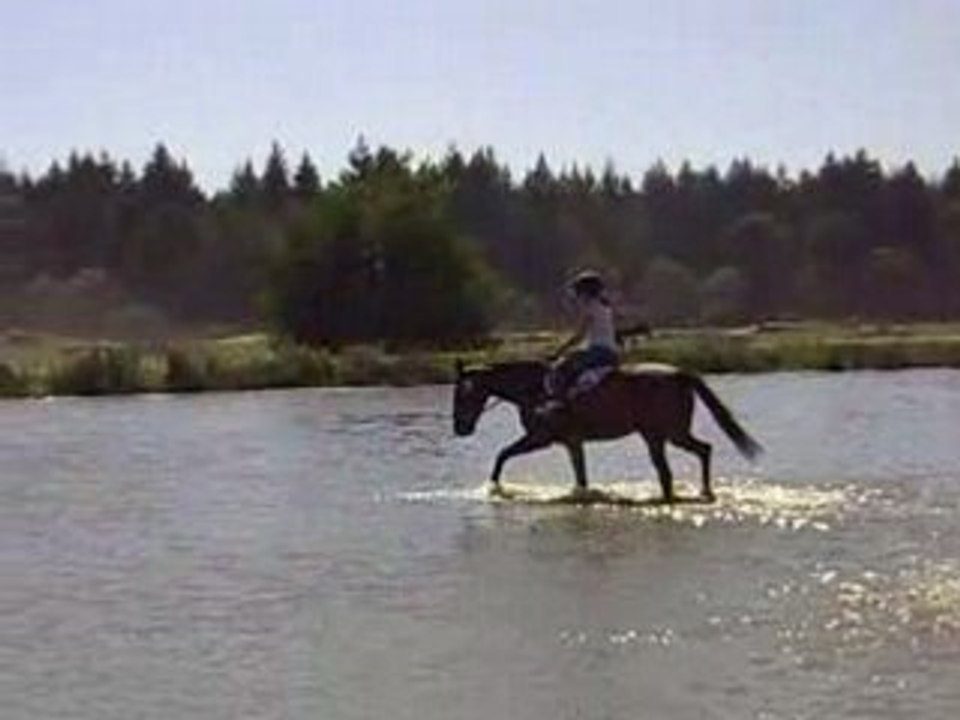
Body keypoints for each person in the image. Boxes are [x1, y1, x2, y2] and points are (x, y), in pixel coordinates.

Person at [542, 270, 620, 409]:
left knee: (562, 368)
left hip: (598, 352)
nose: (577, 296)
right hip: (612, 352)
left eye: (579, 292)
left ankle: (560, 404)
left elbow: (579, 336)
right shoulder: (605, 306)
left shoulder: (590, 308)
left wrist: (559, 352)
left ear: (586, 292)